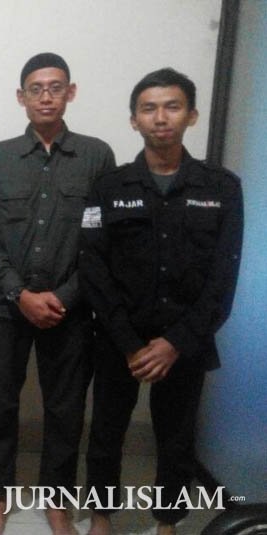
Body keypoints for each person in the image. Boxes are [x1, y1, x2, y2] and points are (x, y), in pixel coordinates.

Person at [81, 68, 243, 535]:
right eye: (148, 108)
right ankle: (101, 516)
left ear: (191, 115)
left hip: (184, 340)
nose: (160, 117)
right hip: (119, 338)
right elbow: (93, 266)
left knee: (176, 438)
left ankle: (168, 522)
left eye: (172, 106)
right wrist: (130, 342)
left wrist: (175, 342)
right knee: (106, 432)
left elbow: (224, 276)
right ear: (134, 120)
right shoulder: (108, 186)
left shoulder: (221, 187)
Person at [0, 53, 116, 535]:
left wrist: (66, 296)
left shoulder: (96, 156)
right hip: (5, 308)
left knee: (65, 409)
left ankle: (57, 500)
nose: (46, 96)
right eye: (36, 88)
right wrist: (19, 293)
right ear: (21, 97)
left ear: (71, 92)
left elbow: (103, 238)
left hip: (69, 311)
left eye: (55, 87)